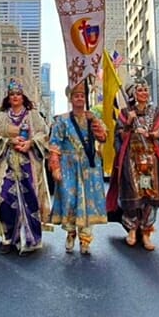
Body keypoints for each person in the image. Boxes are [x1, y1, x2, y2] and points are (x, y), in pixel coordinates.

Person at [0, 79, 51, 255]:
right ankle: (7, 237)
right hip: (6, 165)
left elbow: (44, 133)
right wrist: (9, 141)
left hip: (28, 165)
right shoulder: (0, 117)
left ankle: (29, 237)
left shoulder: (33, 116)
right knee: (5, 200)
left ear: (23, 97)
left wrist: (31, 143)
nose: (15, 97)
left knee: (30, 200)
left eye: (18, 94)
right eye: (12, 94)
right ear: (8, 97)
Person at [107, 78, 159, 251]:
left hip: (151, 160)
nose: (144, 93)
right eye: (140, 90)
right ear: (134, 94)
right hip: (131, 160)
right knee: (132, 193)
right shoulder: (126, 112)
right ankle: (132, 229)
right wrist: (128, 123)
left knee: (151, 196)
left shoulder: (156, 112)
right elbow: (118, 135)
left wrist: (155, 134)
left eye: (146, 90)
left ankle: (147, 231)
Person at [48, 82, 109, 254]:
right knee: (70, 200)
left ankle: (85, 240)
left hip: (90, 166)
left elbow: (103, 137)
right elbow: (54, 145)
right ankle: (70, 233)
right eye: (76, 96)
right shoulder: (62, 120)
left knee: (88, 202)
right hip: (68, 166)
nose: (80, 98)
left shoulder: (93, 117)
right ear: (70, 98)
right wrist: (55, 167)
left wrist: (97, 127)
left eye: (82, 95)